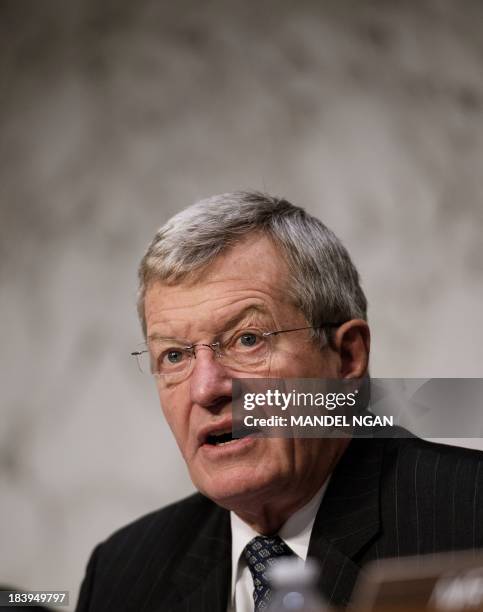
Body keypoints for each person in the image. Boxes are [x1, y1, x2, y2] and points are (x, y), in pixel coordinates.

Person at [76, 191, 483, 612]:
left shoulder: (469, 517)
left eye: (247, 340)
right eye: (175, 355)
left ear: (347, 358)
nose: (205, 389)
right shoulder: (122, 572)